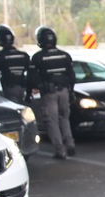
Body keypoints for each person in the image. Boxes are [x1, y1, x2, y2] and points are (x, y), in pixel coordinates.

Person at [27, 26, 76, 160]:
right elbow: (72, 76)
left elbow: (32, 78)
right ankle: (70, 143)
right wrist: (71, 91)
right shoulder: (65, 55)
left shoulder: (37, 57)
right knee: (64, 118)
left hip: (49, 94)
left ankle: (60, 150)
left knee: (51, 121)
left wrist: (30, 92)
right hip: (64, 91)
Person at [0, 24, 31, 103]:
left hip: (10, 87)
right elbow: (31, 71)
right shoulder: (23, 55)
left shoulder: (0, 55)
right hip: (23, 87)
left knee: (13, 109)